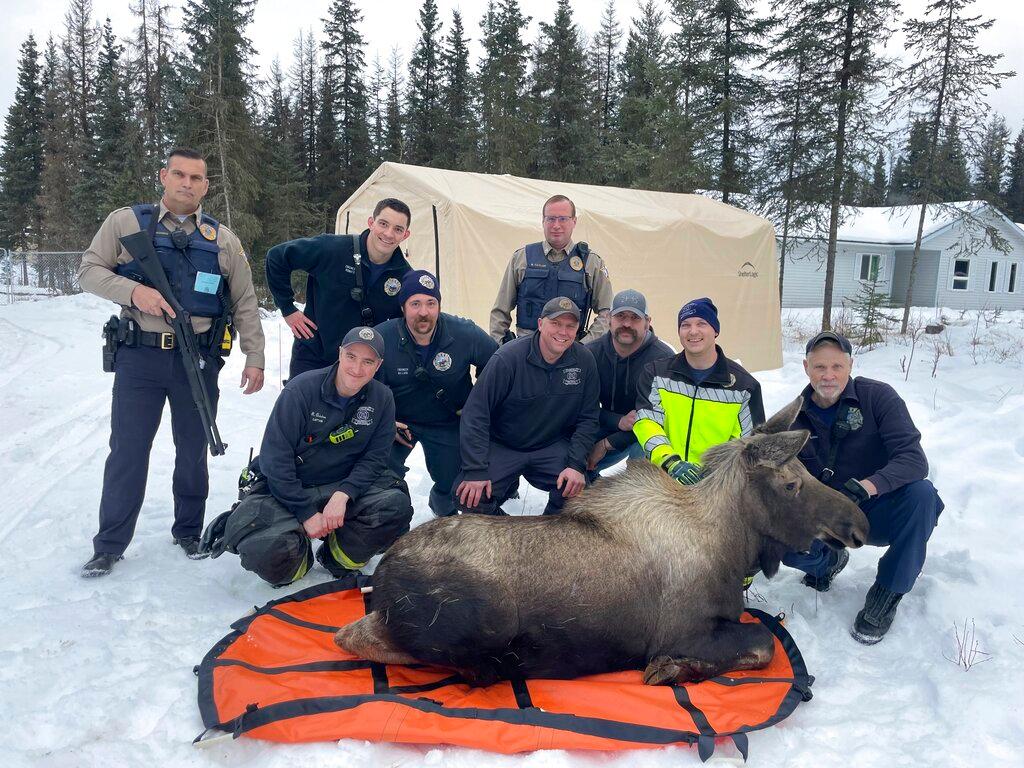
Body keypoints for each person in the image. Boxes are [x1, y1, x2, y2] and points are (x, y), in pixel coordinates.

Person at [77, 148, 265, 577]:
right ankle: (109, 545)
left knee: (193, 449)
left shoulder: (224, 241)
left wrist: (255, 357)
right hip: (139, 356)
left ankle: (188, 531)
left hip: (196, 360)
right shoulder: (126, 223)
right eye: (178, 174)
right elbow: (88, 270)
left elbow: (245, 303)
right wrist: (133, 292)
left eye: (196, 178)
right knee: (127, 450)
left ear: (206, 185)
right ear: (163, 176)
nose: (186, 183)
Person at [200, 327, 413, 586]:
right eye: (351, 357)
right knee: (267, 551)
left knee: (395, 506)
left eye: (368, 361)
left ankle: (337, 558)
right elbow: (274, 461)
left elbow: (375, 459)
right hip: (288, 489)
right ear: (339, 354)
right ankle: (297, 559)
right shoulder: (300, 390)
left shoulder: (382, 398)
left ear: (378, 365)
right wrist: (305, 514)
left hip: (339, 487)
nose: (357, 368)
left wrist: (344, 494)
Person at [782, 331, 943, 645]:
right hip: (827, 518)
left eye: (837, 367)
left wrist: (868, 486)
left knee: (923, 496)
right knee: (787, 542)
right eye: (819, 367)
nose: (828, 376)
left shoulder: (878, 398)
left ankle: (886, 593)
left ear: (850, 365)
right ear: (805, 367)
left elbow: (913, 459)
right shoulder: (795, 419)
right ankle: (827, 562)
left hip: (877, 509)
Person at [457, 297, 600, 516]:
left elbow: (588, 418)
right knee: (470, 497)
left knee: (579, 494)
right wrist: (475, 470)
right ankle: (509, 538)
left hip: (550, 445)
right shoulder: (507, 359)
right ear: (541, 324)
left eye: (570, 326)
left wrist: (576, 465)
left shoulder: (584, 361)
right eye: (556, 323)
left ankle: (547, 537)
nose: (563, 332)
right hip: (504, 445)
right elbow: (476, 413)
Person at [374, 270, 498, 517]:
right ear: (403, 308)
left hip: (447, 421)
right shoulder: (382, 337)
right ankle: (389, 520)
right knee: (377, 475)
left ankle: (442, 513)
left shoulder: (464, 332)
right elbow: (365, 386)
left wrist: (477, 404)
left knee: (452, 487)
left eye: (431, 303)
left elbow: (497, 364)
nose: (423, 312)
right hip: (398, 424)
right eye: (415, 304)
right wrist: (384, 420)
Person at [266, 198, 413, 379]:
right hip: (314, 356)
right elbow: (277, 257)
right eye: (383, 224)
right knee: (300, 406)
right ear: (371, 223)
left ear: (405, 235)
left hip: (360, 370)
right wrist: (287, 308)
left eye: (398, 229)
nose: (389, 234)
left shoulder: (405, 277)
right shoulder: (332, 249)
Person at [633, 297, 765, 484]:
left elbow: (748, 443)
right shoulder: (656, 374)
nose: (693, 331)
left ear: (716, 330)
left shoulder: (743, 387)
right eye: (685, 325)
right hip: (662, 479)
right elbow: (647, 422)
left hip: (716, 486)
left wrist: (713, 473)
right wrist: (670, 462)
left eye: (701, 323)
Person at [489, 195, 613, 344]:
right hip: (525, 351)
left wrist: (585, 346)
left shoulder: (591, 262)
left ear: (574, 221)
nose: (556, 225)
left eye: (563, 219)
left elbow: (607, 313)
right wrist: (501, 346)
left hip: (570, 352)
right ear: (543, 221)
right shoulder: (522, 258)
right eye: (551, 219)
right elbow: (500, 311)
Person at [585, 289, 674, 475]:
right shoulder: (590, 354)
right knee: (573, 457)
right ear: (609, 319)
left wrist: (606, 445)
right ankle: (591, 486)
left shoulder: (664, 360)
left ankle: (639, 496)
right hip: (607, 425)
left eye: (635, 318)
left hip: (643, 433)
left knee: (644, 456)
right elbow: (580, 408)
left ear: (647, 322)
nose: (626, 323)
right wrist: (618, 421)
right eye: (620, 316)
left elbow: (662, 419)